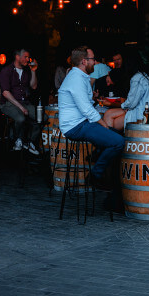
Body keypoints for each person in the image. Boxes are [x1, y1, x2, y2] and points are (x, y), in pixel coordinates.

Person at [58, 45, 124, 203]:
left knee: (117, 136)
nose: (95, 62)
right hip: (76, 126)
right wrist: (103, 124)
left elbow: (85, 104)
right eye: (93, 59)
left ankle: (97, 155)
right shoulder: (76, 78)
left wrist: (93, 98)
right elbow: (85, 108)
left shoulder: (81, 77)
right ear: (83, 61)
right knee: (118, 142)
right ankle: (95, 175)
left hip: (81, 123)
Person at [101, 49, 149, 132]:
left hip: (143, 114)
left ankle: (112, 140)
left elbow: (131, 103)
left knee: (109, 119)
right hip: (142, 109)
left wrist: (120, 105)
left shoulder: (137, 78)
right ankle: (112, 138)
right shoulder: (145, 75)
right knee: (108, 114)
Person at [0, 49, 41, 155]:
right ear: (17, 57)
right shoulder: (6, 71)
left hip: (24, 102)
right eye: (25, 57)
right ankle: (18, 139)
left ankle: (29, 142)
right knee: (21, 118)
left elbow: (34, 86)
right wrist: (21, 108)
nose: (28, 59)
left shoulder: (26, 71)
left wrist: (33, 71)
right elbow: (5, 93)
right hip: (8, 103)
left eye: (28, 57)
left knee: (41, 118)